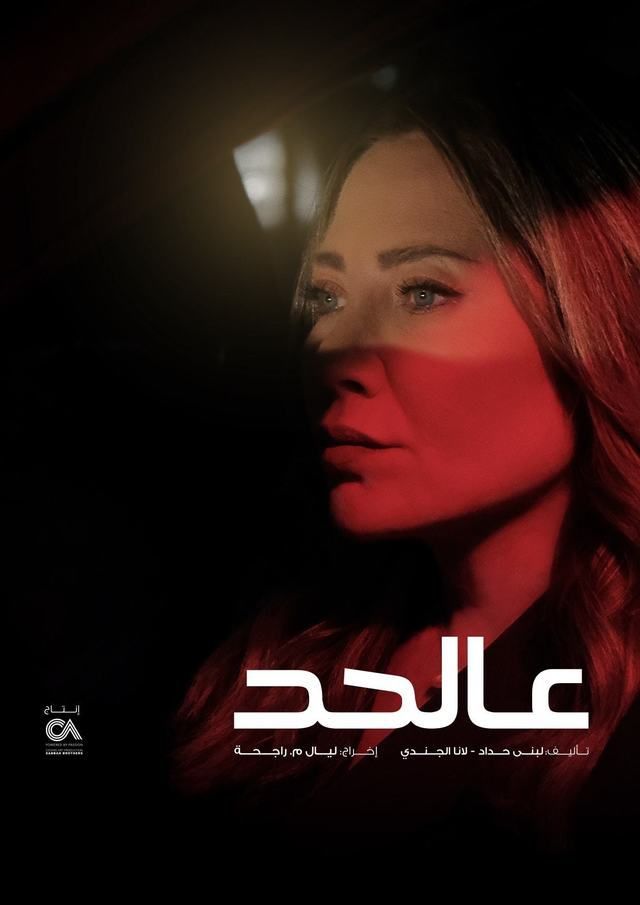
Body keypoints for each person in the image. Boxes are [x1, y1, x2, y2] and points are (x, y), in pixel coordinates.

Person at [168, 34, 640, 860]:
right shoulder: (294, 642)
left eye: (422, 289)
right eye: (324, 295)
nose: (333, 349)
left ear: (590, 314)